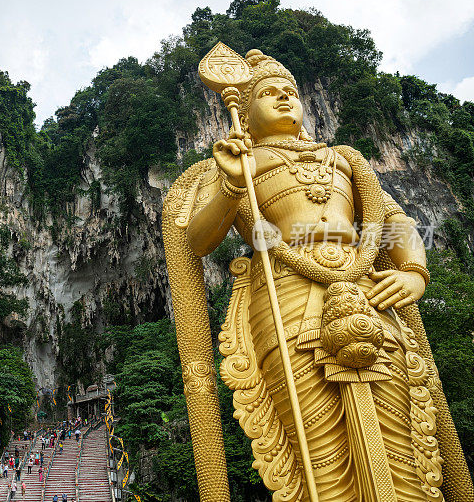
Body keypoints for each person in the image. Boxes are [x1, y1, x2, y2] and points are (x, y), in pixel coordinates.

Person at [165, 45, 472, 500]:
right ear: (245, 113)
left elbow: (394, 221)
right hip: (285, 296)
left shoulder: (346, 160)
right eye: (269, 93)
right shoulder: (238, 163)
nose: (285, 97)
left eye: (291, 90)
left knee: (401, 439)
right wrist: (230, 184)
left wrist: (413, 272)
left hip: (367, 288)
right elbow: (197, 241)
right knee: (317, 447)